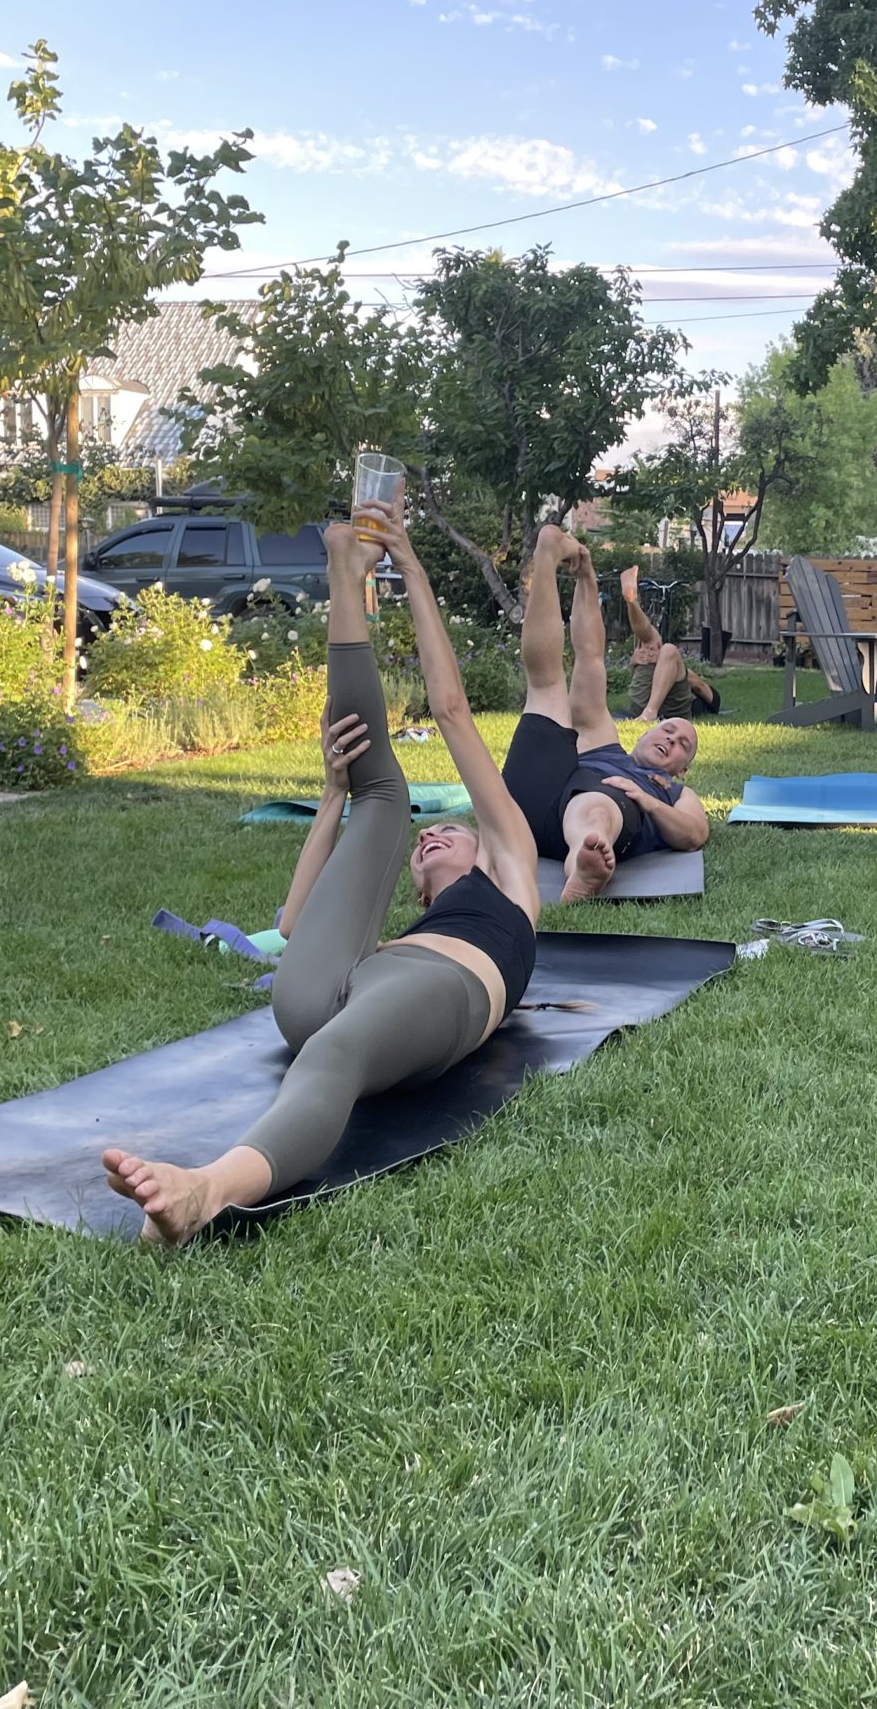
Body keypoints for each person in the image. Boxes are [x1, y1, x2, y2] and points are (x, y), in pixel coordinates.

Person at [101, 490, 541, 1247]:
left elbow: (452, 711)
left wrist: (409, 562)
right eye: (424, 843)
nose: (435, 837)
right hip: (330, 994)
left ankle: (207, 1191)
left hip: (440, 993)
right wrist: (331, 797)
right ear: (413, 883)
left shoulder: (510, 871)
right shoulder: (406, 921)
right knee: (373, 792)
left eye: (450, 833)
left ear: (482, 848)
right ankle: (345, 568)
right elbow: (293, 929)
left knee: (339, 1043)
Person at [502, 529, 710, 901]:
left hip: (593, 811)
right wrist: (587, 578)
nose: (670, 739)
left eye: (682, 745)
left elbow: (695, 834)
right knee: (547, 687)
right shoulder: (601, 740)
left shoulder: (674, 792)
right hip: (528, 802)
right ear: (644, 734)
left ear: (682, 769)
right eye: (668, 729)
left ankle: (583, 865)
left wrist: (645, 800)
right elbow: (590, 654)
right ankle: (546, 556)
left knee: (597, 803)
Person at [616, 564, 722, 722]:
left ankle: (632, 602)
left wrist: (636, 663)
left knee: (661, 647)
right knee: (661, 647)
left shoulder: (702, 698)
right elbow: (697, 685)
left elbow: (698, 685)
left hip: (644, 705)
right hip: (661, 707)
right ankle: (631, 601)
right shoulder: (675, 669)